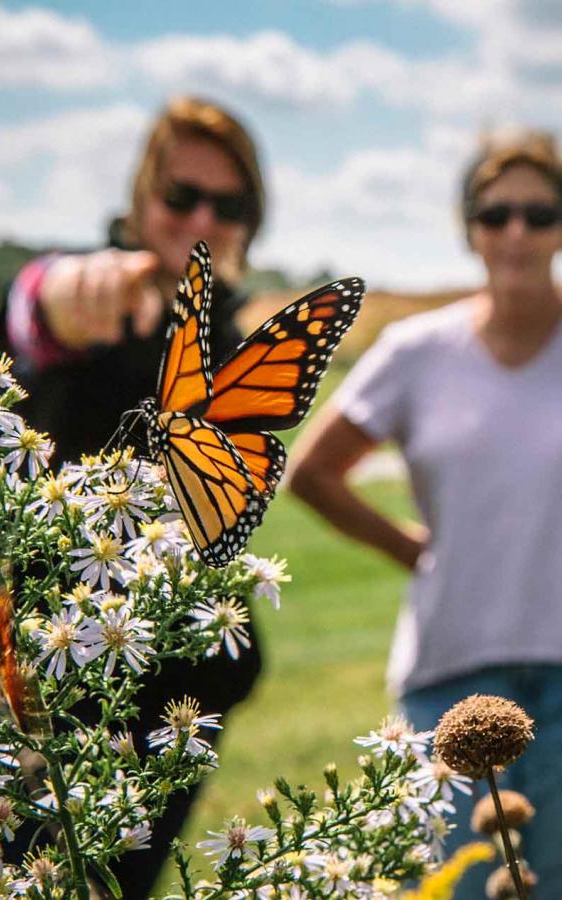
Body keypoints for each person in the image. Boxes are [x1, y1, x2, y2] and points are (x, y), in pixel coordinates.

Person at [0, 96, 266, 898]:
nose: (203, 217)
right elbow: (34, 311)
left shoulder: (227, 332)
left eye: (231, 203)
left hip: (169, 695)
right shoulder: (101, 296)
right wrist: (61, 292)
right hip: (32, 677)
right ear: (142, 198)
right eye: (182, 196)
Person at [286, 131, 562, 899]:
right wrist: (410, 547)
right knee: (465, 887)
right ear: (468, 225)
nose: (517, 231)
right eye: (495, 211)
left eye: (541, 213)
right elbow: (312, 473)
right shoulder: (417, 350)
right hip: (451, 673)